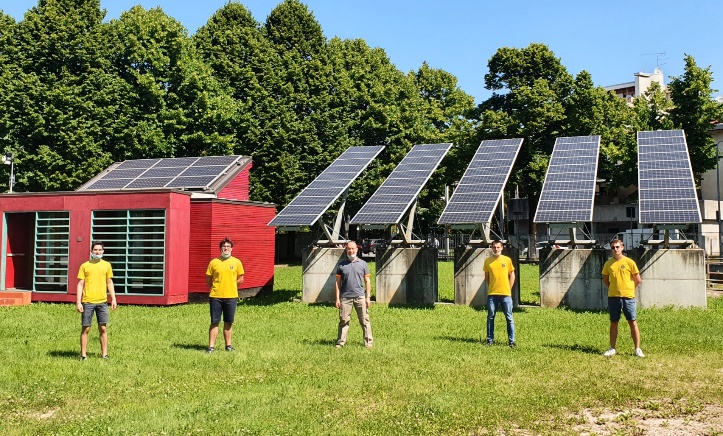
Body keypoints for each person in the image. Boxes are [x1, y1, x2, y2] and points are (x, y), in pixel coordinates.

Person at [602, 239, 644, 357]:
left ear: (622, 248)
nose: (615, 249)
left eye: (617, 247)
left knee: (632, 322)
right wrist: (613, 288)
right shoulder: (608, 263)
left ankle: (637, 349)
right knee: (614, 322)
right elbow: (605, 279)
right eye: (613, 247)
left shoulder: (630, 262)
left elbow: (638, 279)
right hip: (613, 297)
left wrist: (629, 289)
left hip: (628, 297)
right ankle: (612, 348)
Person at [76, 241, 116, 360]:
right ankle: (83, 355)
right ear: (91, 251)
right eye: (95, 250)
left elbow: (109, 282)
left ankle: (104, 354)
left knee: (103, 328)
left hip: (102, 302)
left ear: (103, 251)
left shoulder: (107, 265)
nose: (97, 252)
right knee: (86, 328)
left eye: (100, 250)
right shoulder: (85, 266)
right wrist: (78, 302)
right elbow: (80, 284)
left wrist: (113, 298)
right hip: (87, 301)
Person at [206, 237, 244, 353]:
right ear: (220, 249)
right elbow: (208, 279)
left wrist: (232, 285)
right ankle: (211, 347)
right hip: (216, 297)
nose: (226, 248)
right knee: (214, 322)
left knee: (228, 322)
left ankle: (228, 346)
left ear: (231, 249)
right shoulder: (214, 262)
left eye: (228, 246)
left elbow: (241, 278)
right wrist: (215, 288)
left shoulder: (237, 262)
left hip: (231, 296)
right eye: (224, 246)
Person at [335, 241, 373, 348]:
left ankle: (368, 343)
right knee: (343, 321)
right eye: (349, 249)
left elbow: (367, 281)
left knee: (364, 320)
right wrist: (337, 298)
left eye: (353, 248)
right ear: (346, 250)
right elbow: (337, 283)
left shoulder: (363, 264)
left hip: (360, 297)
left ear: (356, 249)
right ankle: (340, 343)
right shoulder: (341, 265)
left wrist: (368, 297)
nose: (351, 251)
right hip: (345, 298)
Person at [483, 240, 516, 347]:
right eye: (494, 247)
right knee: (490, 317)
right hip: (492, 294)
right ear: (491, 248)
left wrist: (509, 288)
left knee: (509, 318)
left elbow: (512, 275)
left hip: (506, 294)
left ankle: (511, 341)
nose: (496, 249)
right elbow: (487, 277)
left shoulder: (507, 260)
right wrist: (491, 287)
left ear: (502, 248)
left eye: (498, 247)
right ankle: (490, 340)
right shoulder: (488, 261)